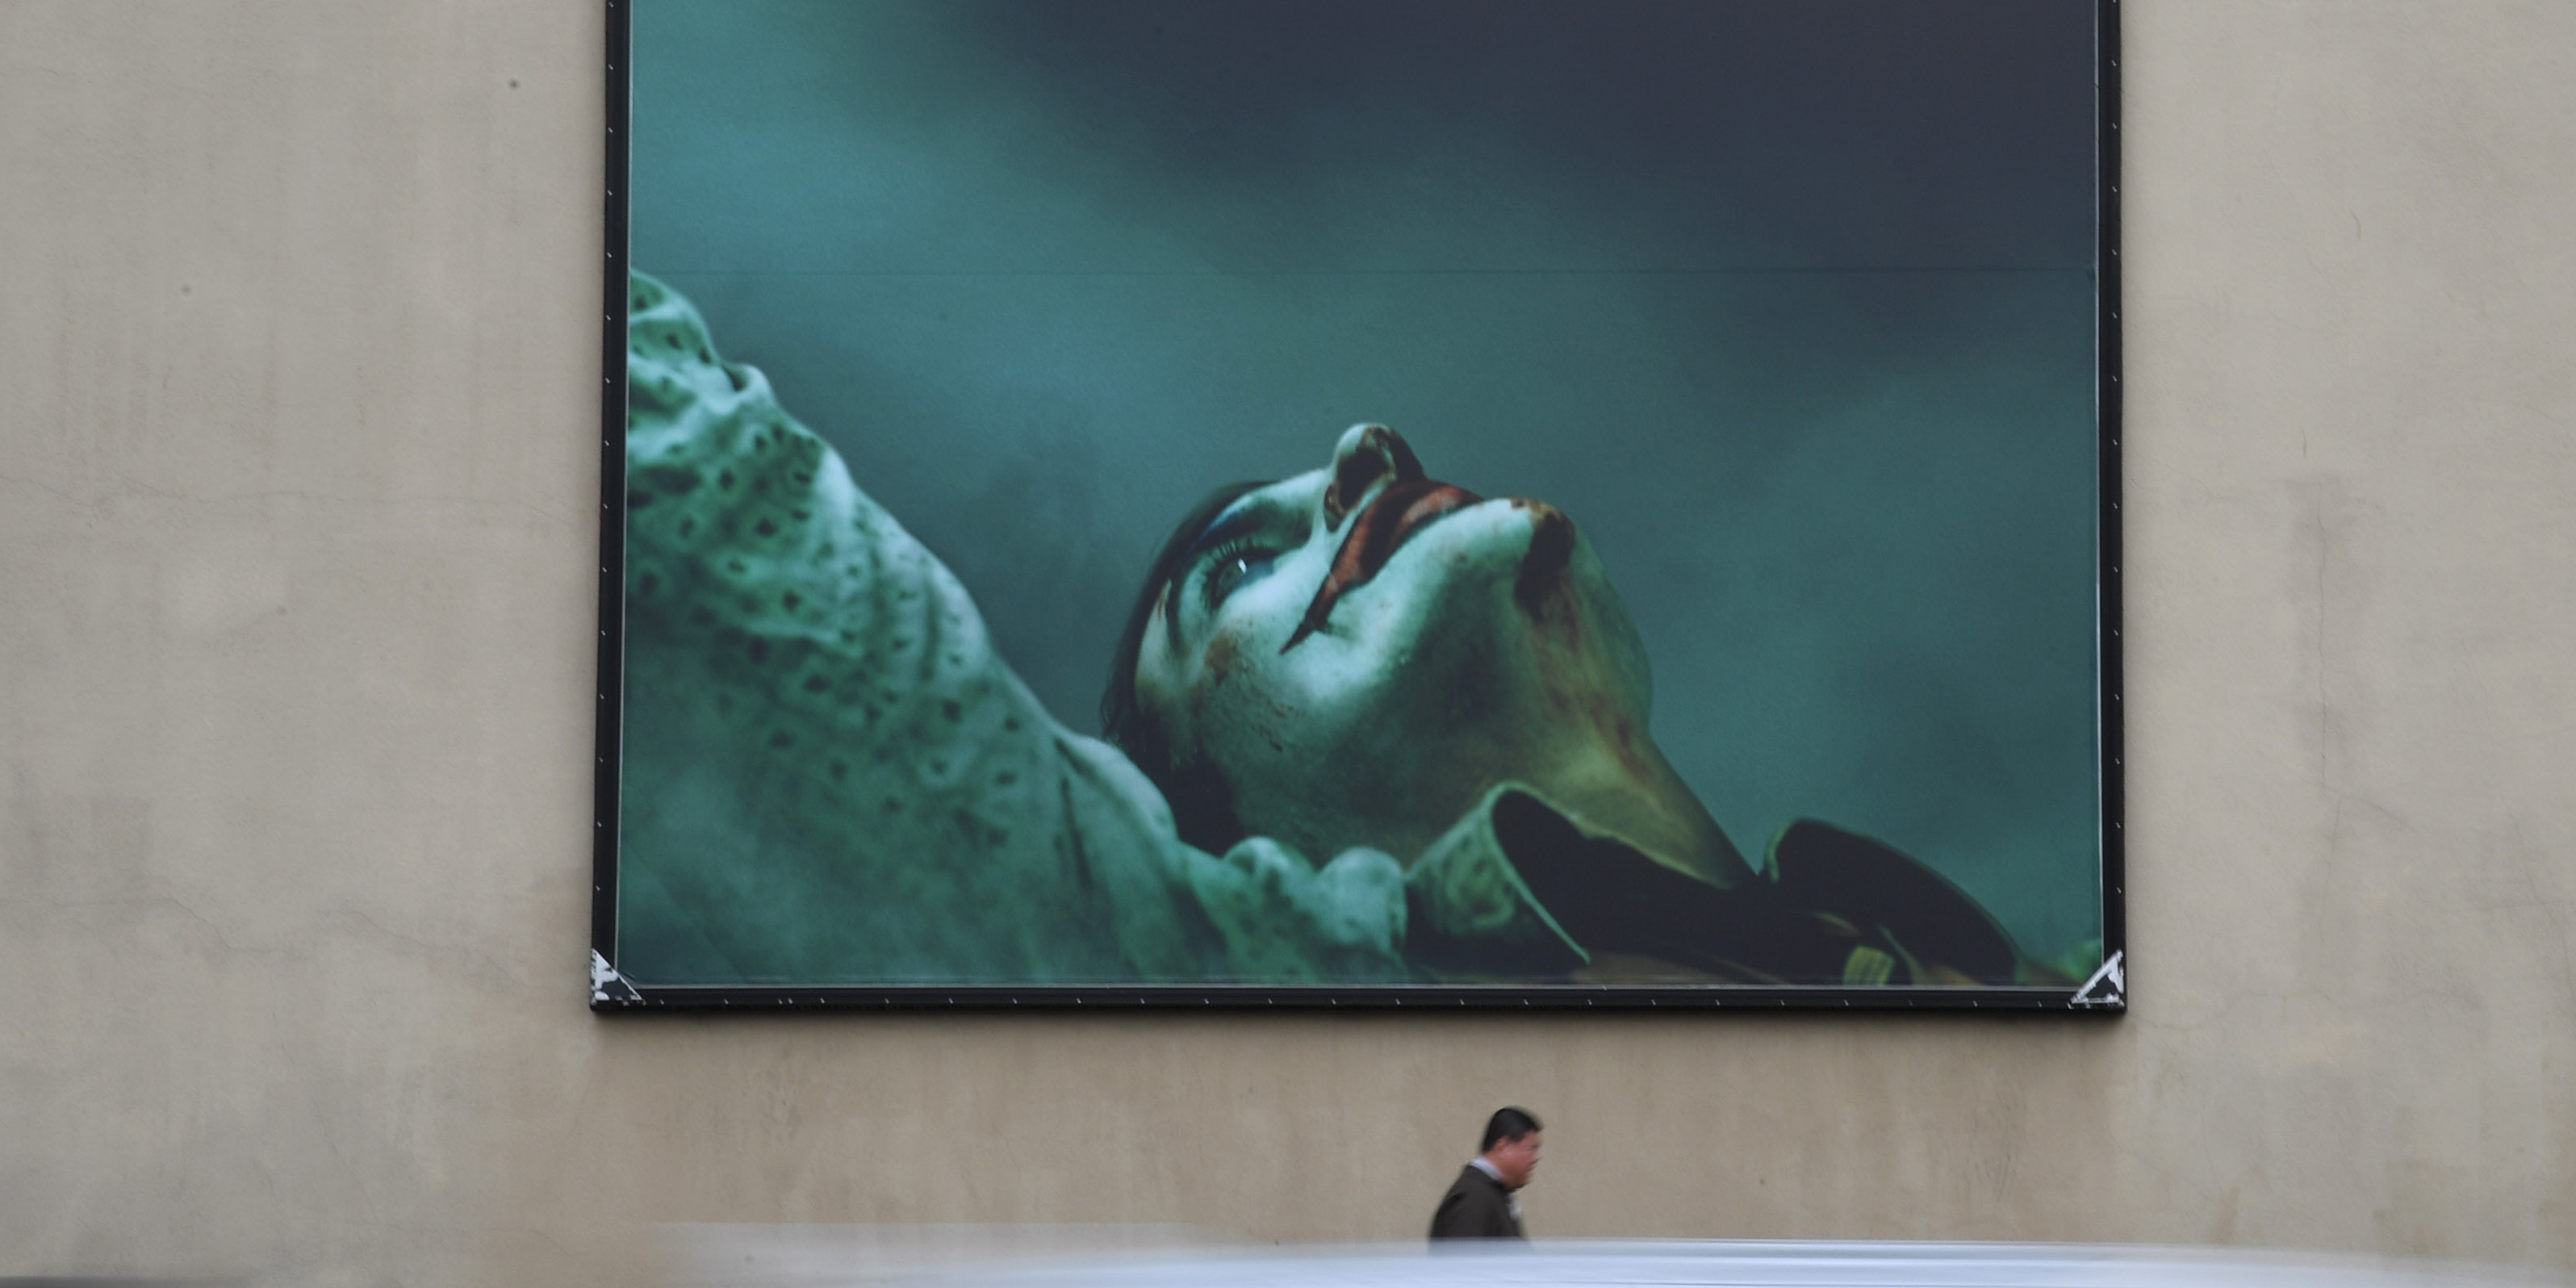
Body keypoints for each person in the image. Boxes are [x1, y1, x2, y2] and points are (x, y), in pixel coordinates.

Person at [613, 272, 2043, 989]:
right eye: (1239, 562)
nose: (1367, 447)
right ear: (1203, 835)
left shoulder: (2041, 973)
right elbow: (697, 502)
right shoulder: (1198, 974)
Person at [1428, 1108, 1542, 1241]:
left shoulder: (1491, 1192)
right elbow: (1465, 1260)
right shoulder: (1472, 1198)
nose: (1536, 1158)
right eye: (1531, 1149)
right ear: (1503, 1147)